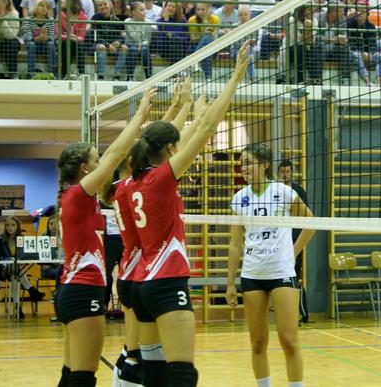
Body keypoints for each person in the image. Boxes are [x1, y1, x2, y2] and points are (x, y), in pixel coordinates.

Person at [126, 44, 251, 387]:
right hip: (167, 282)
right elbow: (208, 127)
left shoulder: (128, 184)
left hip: (141, 285)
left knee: (154, 373)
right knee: (182, 374)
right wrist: (237, 75)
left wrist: (181, 106)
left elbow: (153, 138)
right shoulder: (162, 178)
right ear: (170, 151)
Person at [54, 87, 155, 387]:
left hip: (73, 289)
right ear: (85, 169)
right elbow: (117, 154)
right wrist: (140, 114)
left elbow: (114, 160)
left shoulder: (73, 197)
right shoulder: (78, 193)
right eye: (96, 161)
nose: (102, 166)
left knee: (71, 373)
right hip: (83, 292)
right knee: (83, 378)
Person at [103, 84, 194, 387]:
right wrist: (185, 108)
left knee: (140, 353)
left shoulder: (120, 188)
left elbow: (155, 139)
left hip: (132, 272)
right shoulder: (140, 184)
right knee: (140, 357)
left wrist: (178, 110)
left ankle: (126, 374)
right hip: (142, 270)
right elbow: (157, 142)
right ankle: (125, 379)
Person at [227, 143, 315, 387]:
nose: (245, 168)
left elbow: (311, 223)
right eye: (242, 163)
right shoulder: (239, 199)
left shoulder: (284, 192)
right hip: (252, 274)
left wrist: (293, 253)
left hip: (281, 272)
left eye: (250, 162)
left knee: (289, 338)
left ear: (265, 165)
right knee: (257, 342)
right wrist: (230, 283)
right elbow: (235, 244)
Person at [0, 216, 46, 318]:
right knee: (14, 269)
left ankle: (17, 307)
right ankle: (31, 290)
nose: (10, 227)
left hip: (15, 270)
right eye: (7, 225)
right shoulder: (0, 239)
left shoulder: (22, 239)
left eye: (13, 225)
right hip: (2, 270)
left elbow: (28, 255)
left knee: (14, 276)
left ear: (17, 227)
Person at [277, 159, 309, 324]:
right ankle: (286, 313)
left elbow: (306, 217)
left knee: (294, 276)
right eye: (282, 172)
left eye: (287, 172)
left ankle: (302, 313)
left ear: (292, 173)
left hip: (295, 241)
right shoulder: (274, 191)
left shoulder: (298, 191)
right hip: (278, 241)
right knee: (280, 278)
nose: (285, 175)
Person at [92, 0, 127, 81]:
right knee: (101, 47)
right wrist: (108, 45)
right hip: (100, 44)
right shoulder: (95, 18)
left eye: (105, 4)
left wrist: (118, 42)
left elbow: (122, 35)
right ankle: (101, 77)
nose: (103, 6)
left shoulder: (117, 20)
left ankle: (116, 76)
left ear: (111, 6)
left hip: (114, 46)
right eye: (100, 5)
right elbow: (95, 35)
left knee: (125, 48)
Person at [21, 0, 57, 77]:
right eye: (41, 6)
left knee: (51, 44)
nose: (44, 8)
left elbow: (52, 36)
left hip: (45, 45)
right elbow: (27, 35)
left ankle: (53, 74)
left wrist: (47, 38)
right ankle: (31, 74)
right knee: (31, 44)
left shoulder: (51, 20)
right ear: (36, 7)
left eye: (46, 7)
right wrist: (35, 38)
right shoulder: (28, 20)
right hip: (33, 45)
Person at [187, 2, 220, 81]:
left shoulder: (215, 19)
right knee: (206, 48)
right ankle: (208, 78)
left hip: (213, 47)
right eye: (198, 9)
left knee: (208, 38)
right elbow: (193, 38)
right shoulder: (192, 20)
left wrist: (205, 21)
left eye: (203, 9)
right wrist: (203, 34)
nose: (200, 12)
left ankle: (196, 60)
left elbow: (215, 37)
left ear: (209, 10)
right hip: (196, 45)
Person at [125, 1, 156, 80]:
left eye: (144, 9)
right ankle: (130, 77)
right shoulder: (127, 22)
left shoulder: (148, 22)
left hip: (143, 45)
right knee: (133, 49)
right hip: (131, 44)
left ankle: (148, 76)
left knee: (145, 49)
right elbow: (134, 37)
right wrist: (139, 22)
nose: (144, 12)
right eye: (141, 10)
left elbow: (147, 39)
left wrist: (141, 44)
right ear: (133, 12)